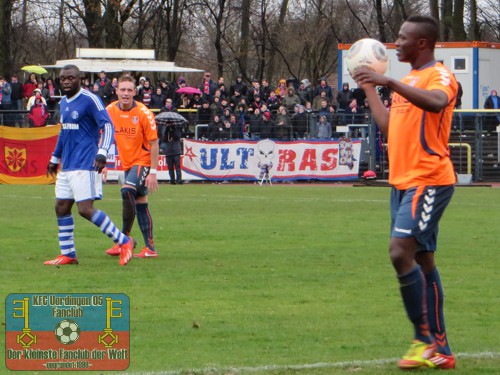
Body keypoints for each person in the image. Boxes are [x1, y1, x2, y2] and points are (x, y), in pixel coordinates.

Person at [353, 15, 458, 370]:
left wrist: (389, 82)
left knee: (400, 253)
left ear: (422, 43)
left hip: (428, 180)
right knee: (422, 260)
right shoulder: (409, 79)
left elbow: (436, 102)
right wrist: (369, 86)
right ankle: (441, 349)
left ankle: (423, 340)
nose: (396, 43)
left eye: (402, 38)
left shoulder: (437, 75)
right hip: (402, 182)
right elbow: (388, 126)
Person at [45, 64, 135, 266]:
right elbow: (64, 132)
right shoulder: (64, 102)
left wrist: (102, 152)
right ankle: (68, 254)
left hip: (85, 162)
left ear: (81, 79)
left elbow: (108, 125)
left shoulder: (90, 99)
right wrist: (54, 158)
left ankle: (124, 241)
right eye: (63, 78)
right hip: (67, 164)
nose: (66, 81)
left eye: (70, 78)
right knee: (61, 207)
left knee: (85, 209)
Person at [106, 75, 159, 259]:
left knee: (126, 190)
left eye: (130, 90)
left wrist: (153, 172)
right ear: (117, 91)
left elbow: (154, 144)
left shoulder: (144, 113)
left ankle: (123, 240)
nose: (126, 93)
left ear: (135, 92)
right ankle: (150, 249)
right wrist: (102, 160)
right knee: (140, 202)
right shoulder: (110, 110)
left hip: (142, 161)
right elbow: (101, 134)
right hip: (127, 164)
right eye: (123, 90)